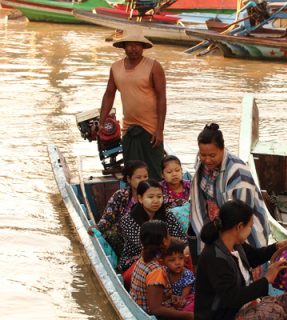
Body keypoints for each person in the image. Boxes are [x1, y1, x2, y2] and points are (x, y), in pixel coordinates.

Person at [194, 200, 287, 320]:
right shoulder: (215, 258)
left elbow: (255, 256)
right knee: (275, 313)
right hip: (225, 314)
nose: (251, 229)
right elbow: (233, 299)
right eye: (250, 226)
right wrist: (266, 279)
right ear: (239, 227)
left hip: (248, 304)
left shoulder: (236, 245)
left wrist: (277, 247)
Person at [189, 123, 270, 262]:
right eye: (203, 155)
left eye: (212, 155)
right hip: (217, 225)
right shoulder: (203, 164)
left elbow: (241, 218)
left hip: (243, 232)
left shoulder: (238, 174)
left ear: (222, 149)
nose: (207, 160)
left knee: (240, 267)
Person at [99, 26, 166, 180]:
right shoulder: (115, 68)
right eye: (129, 44)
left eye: (137, 45)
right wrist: (102, 122)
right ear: (123, 46)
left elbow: (162, 98)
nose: (133, 48)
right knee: (133, 174)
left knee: (154, 173)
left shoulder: (154, 67)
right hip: (128, 129)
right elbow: (109, 94)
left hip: (151, 129)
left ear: (143, 47)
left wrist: (159, 130)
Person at [118, 179, 186, 285]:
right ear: (140, 198)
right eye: (150, 197)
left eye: (159, 197)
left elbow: (181, 239)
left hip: (170, 256)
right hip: (138, 258)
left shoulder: (168, 215)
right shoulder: (129, 219)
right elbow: (144, 246)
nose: (155, 201)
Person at [130, 220, 193, 319]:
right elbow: (156, 309)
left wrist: (171, 297)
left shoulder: (143, 259)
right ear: (164, 241)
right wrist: (189, 316)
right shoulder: (156, 270)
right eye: (168, 235)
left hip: (138, 307)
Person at [88, 160, 148, 256]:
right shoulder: (120, 195)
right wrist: (97, 227)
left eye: (145, 177)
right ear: (129, 179)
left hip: (146, 239)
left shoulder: (152, 196)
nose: (143, 180)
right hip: (123, 238)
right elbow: (108, 217)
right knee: (109, 234)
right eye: (138, 177)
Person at [163, 237, 195, 312]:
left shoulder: (187, 275)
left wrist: (176, 302)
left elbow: (183, 299)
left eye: (181, 258)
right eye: (172, 260)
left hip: (187, 300)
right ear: (163, 261)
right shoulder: (164, 271)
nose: (178, 262)